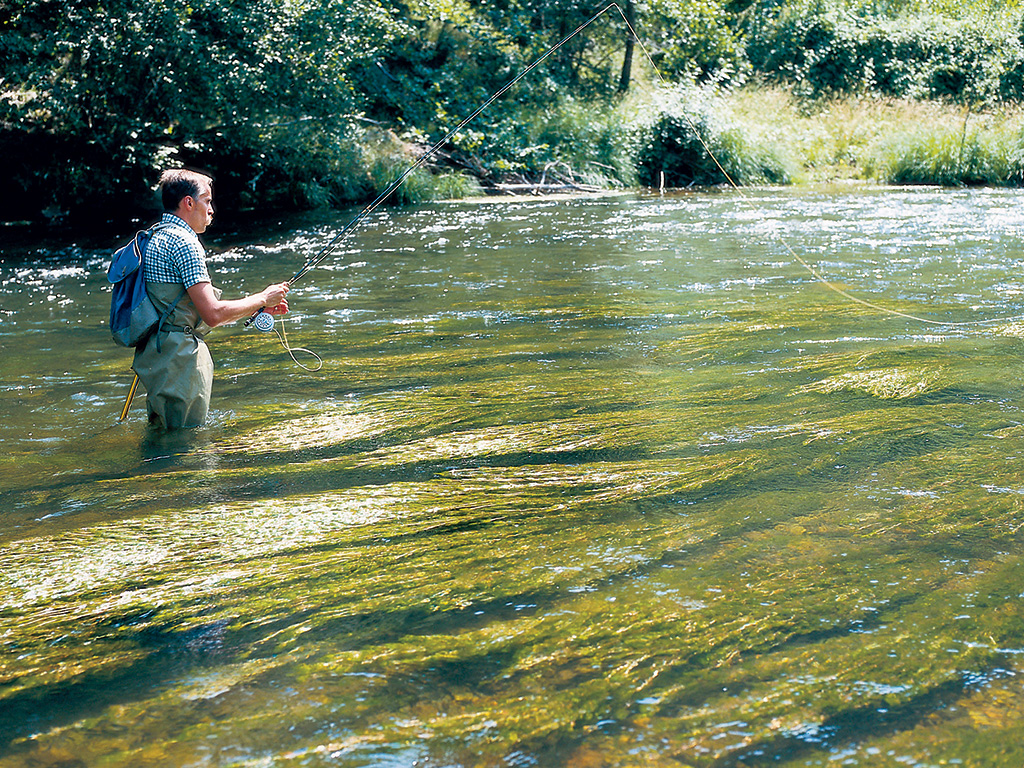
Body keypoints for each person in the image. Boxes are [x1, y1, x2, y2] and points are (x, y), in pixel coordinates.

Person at [132, 168, 290, 429]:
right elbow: (213, 314)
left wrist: (257, 307)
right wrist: (263, 297)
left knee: (163, 435)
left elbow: (180, 310)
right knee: (185, 445)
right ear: (189, 202)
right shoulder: (185, 242)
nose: (212, 208)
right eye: (207, 200)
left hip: (154, 354)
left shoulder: (152, 237)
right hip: (179, 360)